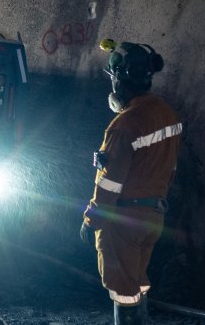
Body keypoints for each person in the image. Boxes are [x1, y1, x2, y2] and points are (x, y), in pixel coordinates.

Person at [80, 39, 182, 325]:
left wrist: (91, 221)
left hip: (123, 220)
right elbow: (169, 168)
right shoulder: (167, 115)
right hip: (153, 217)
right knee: (137, 284)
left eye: (113, 78)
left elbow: (109, 184)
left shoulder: (124, 126)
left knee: (122, 289)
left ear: (120, 80)